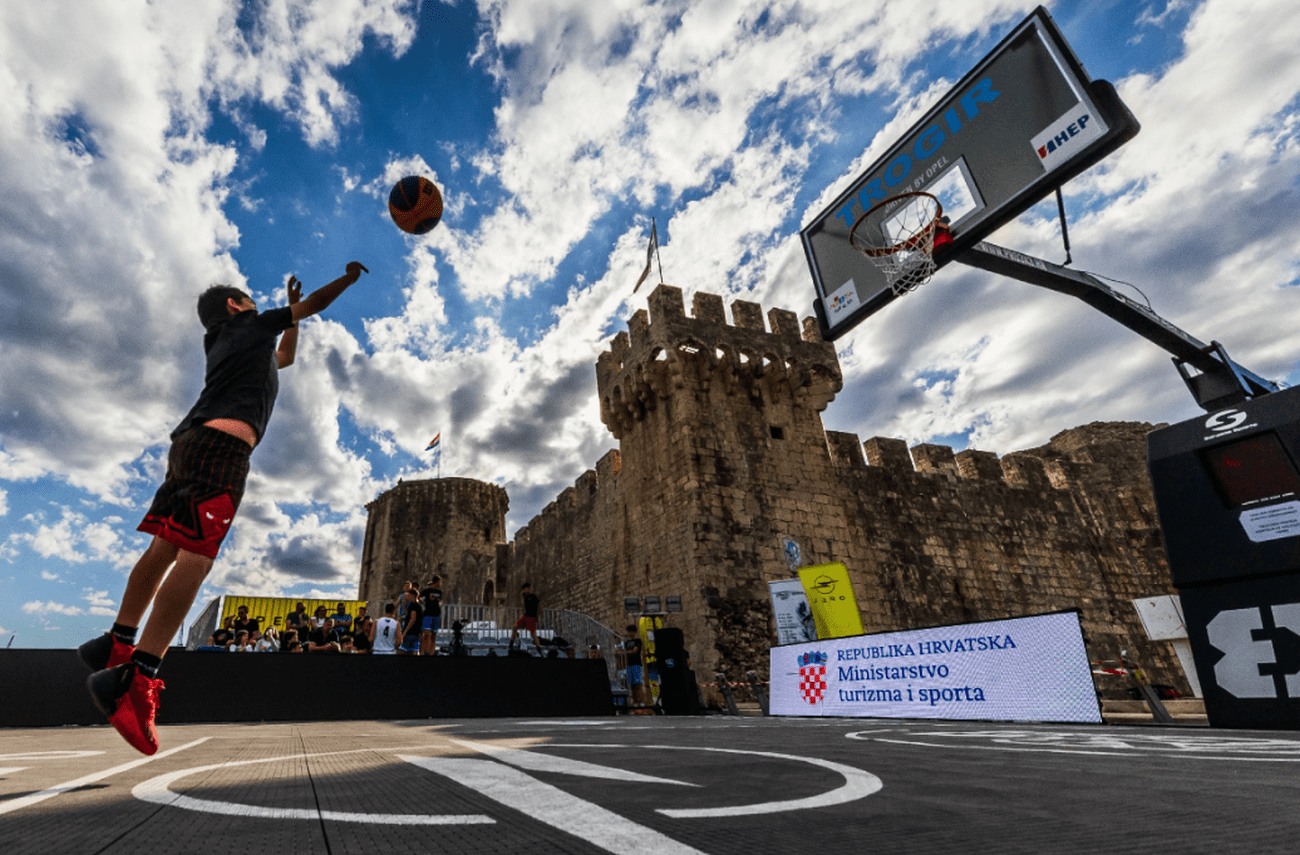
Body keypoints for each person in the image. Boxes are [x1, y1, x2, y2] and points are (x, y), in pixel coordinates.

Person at [78, 261, 369, 755]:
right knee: (195, 557)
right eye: (251, 299)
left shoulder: (235, 343)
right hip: (223, 449)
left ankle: (119, 641)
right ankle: (138, 677)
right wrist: (347, 280)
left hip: (189, 443)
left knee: (165, 546)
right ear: (235, 305)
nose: (258, 304)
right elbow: (316, 304)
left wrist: (289, 316)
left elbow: (287, 358)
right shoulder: (246, 325)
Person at [509, 582, 542, 654]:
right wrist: (522, 597)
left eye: (526, 588)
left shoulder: (533, 596)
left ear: (529, 589)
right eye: (524, 589)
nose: (526, 590)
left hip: (532, 617)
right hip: (525, 616)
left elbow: (538, 606)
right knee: (515, 627)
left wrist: (537, 616)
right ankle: (510, 644)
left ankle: (539, 649)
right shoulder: (525, 597)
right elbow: (524, 605)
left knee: (533, 635)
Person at [420, 575, 442, 656]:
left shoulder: (439, 592)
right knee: (426, 634)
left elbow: (438, 600)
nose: (440, 584)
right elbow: (419, 597)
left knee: (433, 635)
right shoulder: (426, 591)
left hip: (436, 615)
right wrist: (423, 603)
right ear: (436, 582)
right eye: (439, 582)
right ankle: (422, 652)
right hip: (428, 614)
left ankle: (431, 653)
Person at [624, 624, 646, 707]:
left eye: (632, 632)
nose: (630, 634)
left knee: (638, 684)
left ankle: (641, 702)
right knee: (632, 685)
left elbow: (635, 651)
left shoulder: (637, 641)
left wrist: (624, 652)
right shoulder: (626, 642)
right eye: (629, 632)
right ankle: (636, 703)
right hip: (629, 664)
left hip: (636, 664)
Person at [398, 588, 422, 655]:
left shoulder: (413, 605)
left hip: (410, 633)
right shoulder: (419, 606)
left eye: (409, 595)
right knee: (414, 651)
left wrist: (405, 632)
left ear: (412, 595)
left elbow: (413, 619)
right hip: (416, 633)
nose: (407, 597)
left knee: (402, 650)